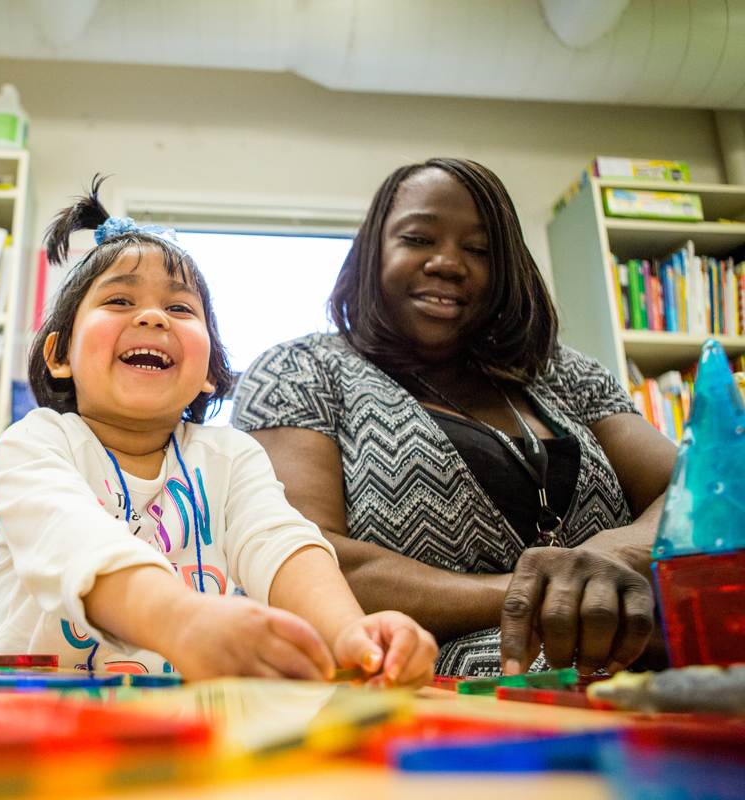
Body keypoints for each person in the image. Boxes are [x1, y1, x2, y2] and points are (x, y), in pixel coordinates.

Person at [0, 178, 437, 684]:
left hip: (185, 726)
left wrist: (352, 633)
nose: (153, 317)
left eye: (180, 308)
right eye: (118, 302)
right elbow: (74, 541)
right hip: (37, 725)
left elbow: (278, 542)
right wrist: (183, 619)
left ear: (211, 372)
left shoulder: (230, 455)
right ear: (60, 355)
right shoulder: (35, 443)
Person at [232, 158, 676, 677]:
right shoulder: (302, 369)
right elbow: (306, 553)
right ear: (373, 253)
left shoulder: (559, 371)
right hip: (440, 693)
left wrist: (616, 554)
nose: (448, 263)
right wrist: (538, 593)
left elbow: (703, 491)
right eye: (419, 239)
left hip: (655, 668)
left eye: (479, 250)